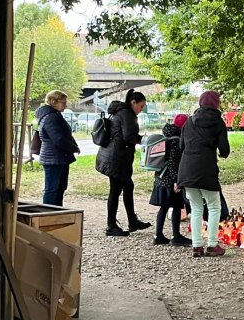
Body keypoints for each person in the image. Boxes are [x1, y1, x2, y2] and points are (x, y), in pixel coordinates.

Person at [178, 91, 230, 258]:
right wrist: (221, 153)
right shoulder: (218, 122)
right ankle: (212, 245)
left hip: (187, 168)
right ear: (216, 104)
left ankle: (197, 246)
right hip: (206, 168)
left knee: (196, 207)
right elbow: (224, 149)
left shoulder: (189, 121)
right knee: (214, 206)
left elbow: (181, 146)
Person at [95, 89, 152, 236]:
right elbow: (129, 136)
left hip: (115, 156)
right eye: (141, 106)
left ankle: (131, 221)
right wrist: (146, 140)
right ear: (133, 102)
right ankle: (111, 226)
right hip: (117, 158)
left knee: (127, 186)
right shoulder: (127, 114)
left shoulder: (120, 111)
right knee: (116, 190)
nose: (141, 110)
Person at [149, 114, 190, 246]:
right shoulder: (176, 141)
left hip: (160, 178)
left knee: (164, 207)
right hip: (170, 181)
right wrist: (176, 181)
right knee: (177, 206)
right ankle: (176, 236)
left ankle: (158, 235)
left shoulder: (167, 137)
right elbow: (173, 164)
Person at [36, 90, 80, 206]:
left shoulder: (53, 115)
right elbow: (59, 139)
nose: (65, 105)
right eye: (63, 102)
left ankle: (57, 211)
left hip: (57, 157)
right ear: (53, 102)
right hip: (53, 158)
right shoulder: (51, 117)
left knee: (59, 188)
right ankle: (49, 213)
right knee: (52, 190)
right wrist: (73, 148)